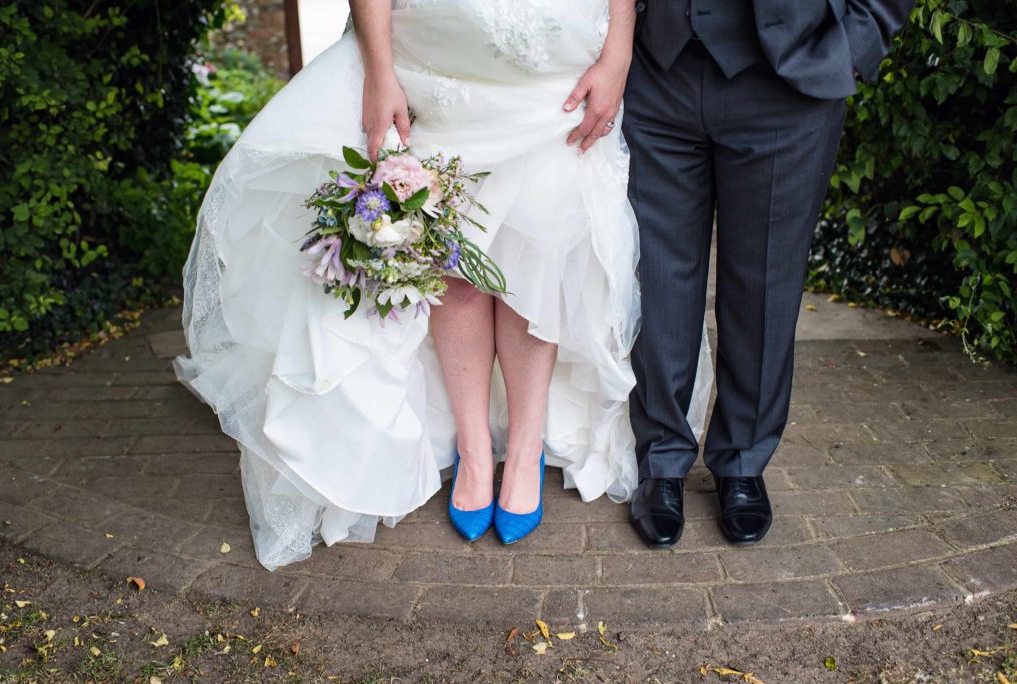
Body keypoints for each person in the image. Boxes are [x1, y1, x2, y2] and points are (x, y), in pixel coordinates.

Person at [173, 0, 713, 570]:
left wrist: (619, 52)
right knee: (452, 269)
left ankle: (525, 450)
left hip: (553, 81)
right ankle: (473, 447)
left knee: (539, 263)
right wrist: (379, 72)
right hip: (436, 73)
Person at [624, 0, 914, 548]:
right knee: (658, 278)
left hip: (788, 81)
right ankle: (661, 461)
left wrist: (856, 44)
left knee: (763, 284)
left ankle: (742, 460)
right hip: (656, 72)